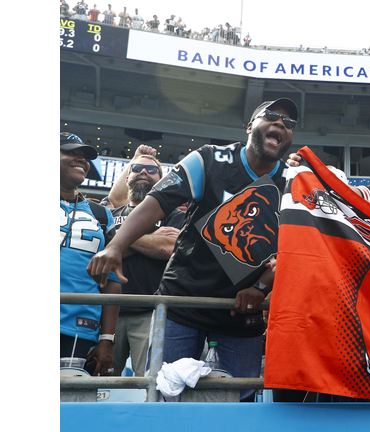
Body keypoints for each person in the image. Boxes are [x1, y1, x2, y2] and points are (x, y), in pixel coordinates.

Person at [87, 98, 299, 402]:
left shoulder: (292, 182)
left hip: (240, 312)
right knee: (164, 394)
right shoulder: (209, 159)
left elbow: (295, 249)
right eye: (272, 116)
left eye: (289, 123)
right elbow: (157, 202)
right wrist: (116, 246)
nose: (281, 124)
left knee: (238, 402)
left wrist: (262, 286)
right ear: (251, 125)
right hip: (182, 301)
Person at [109, 151, 185, 377]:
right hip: (109, 311)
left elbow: (168, 248)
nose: (144, 172)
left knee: (149, 383)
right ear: (127, 177)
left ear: (160, 180)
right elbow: (102, 251)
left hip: (152, 312)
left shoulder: (174, 216)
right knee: (100, 381)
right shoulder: (110, 214)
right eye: (137, 168)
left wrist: (120, 241)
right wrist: (153, 235)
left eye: (152, 170)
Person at [60, 132, 121, 377]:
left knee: (66, 404)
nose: (81, 160)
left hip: (79, 327)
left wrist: (107, 338)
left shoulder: (100, 214)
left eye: (84, 157)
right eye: (71, 152)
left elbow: (112, 281)